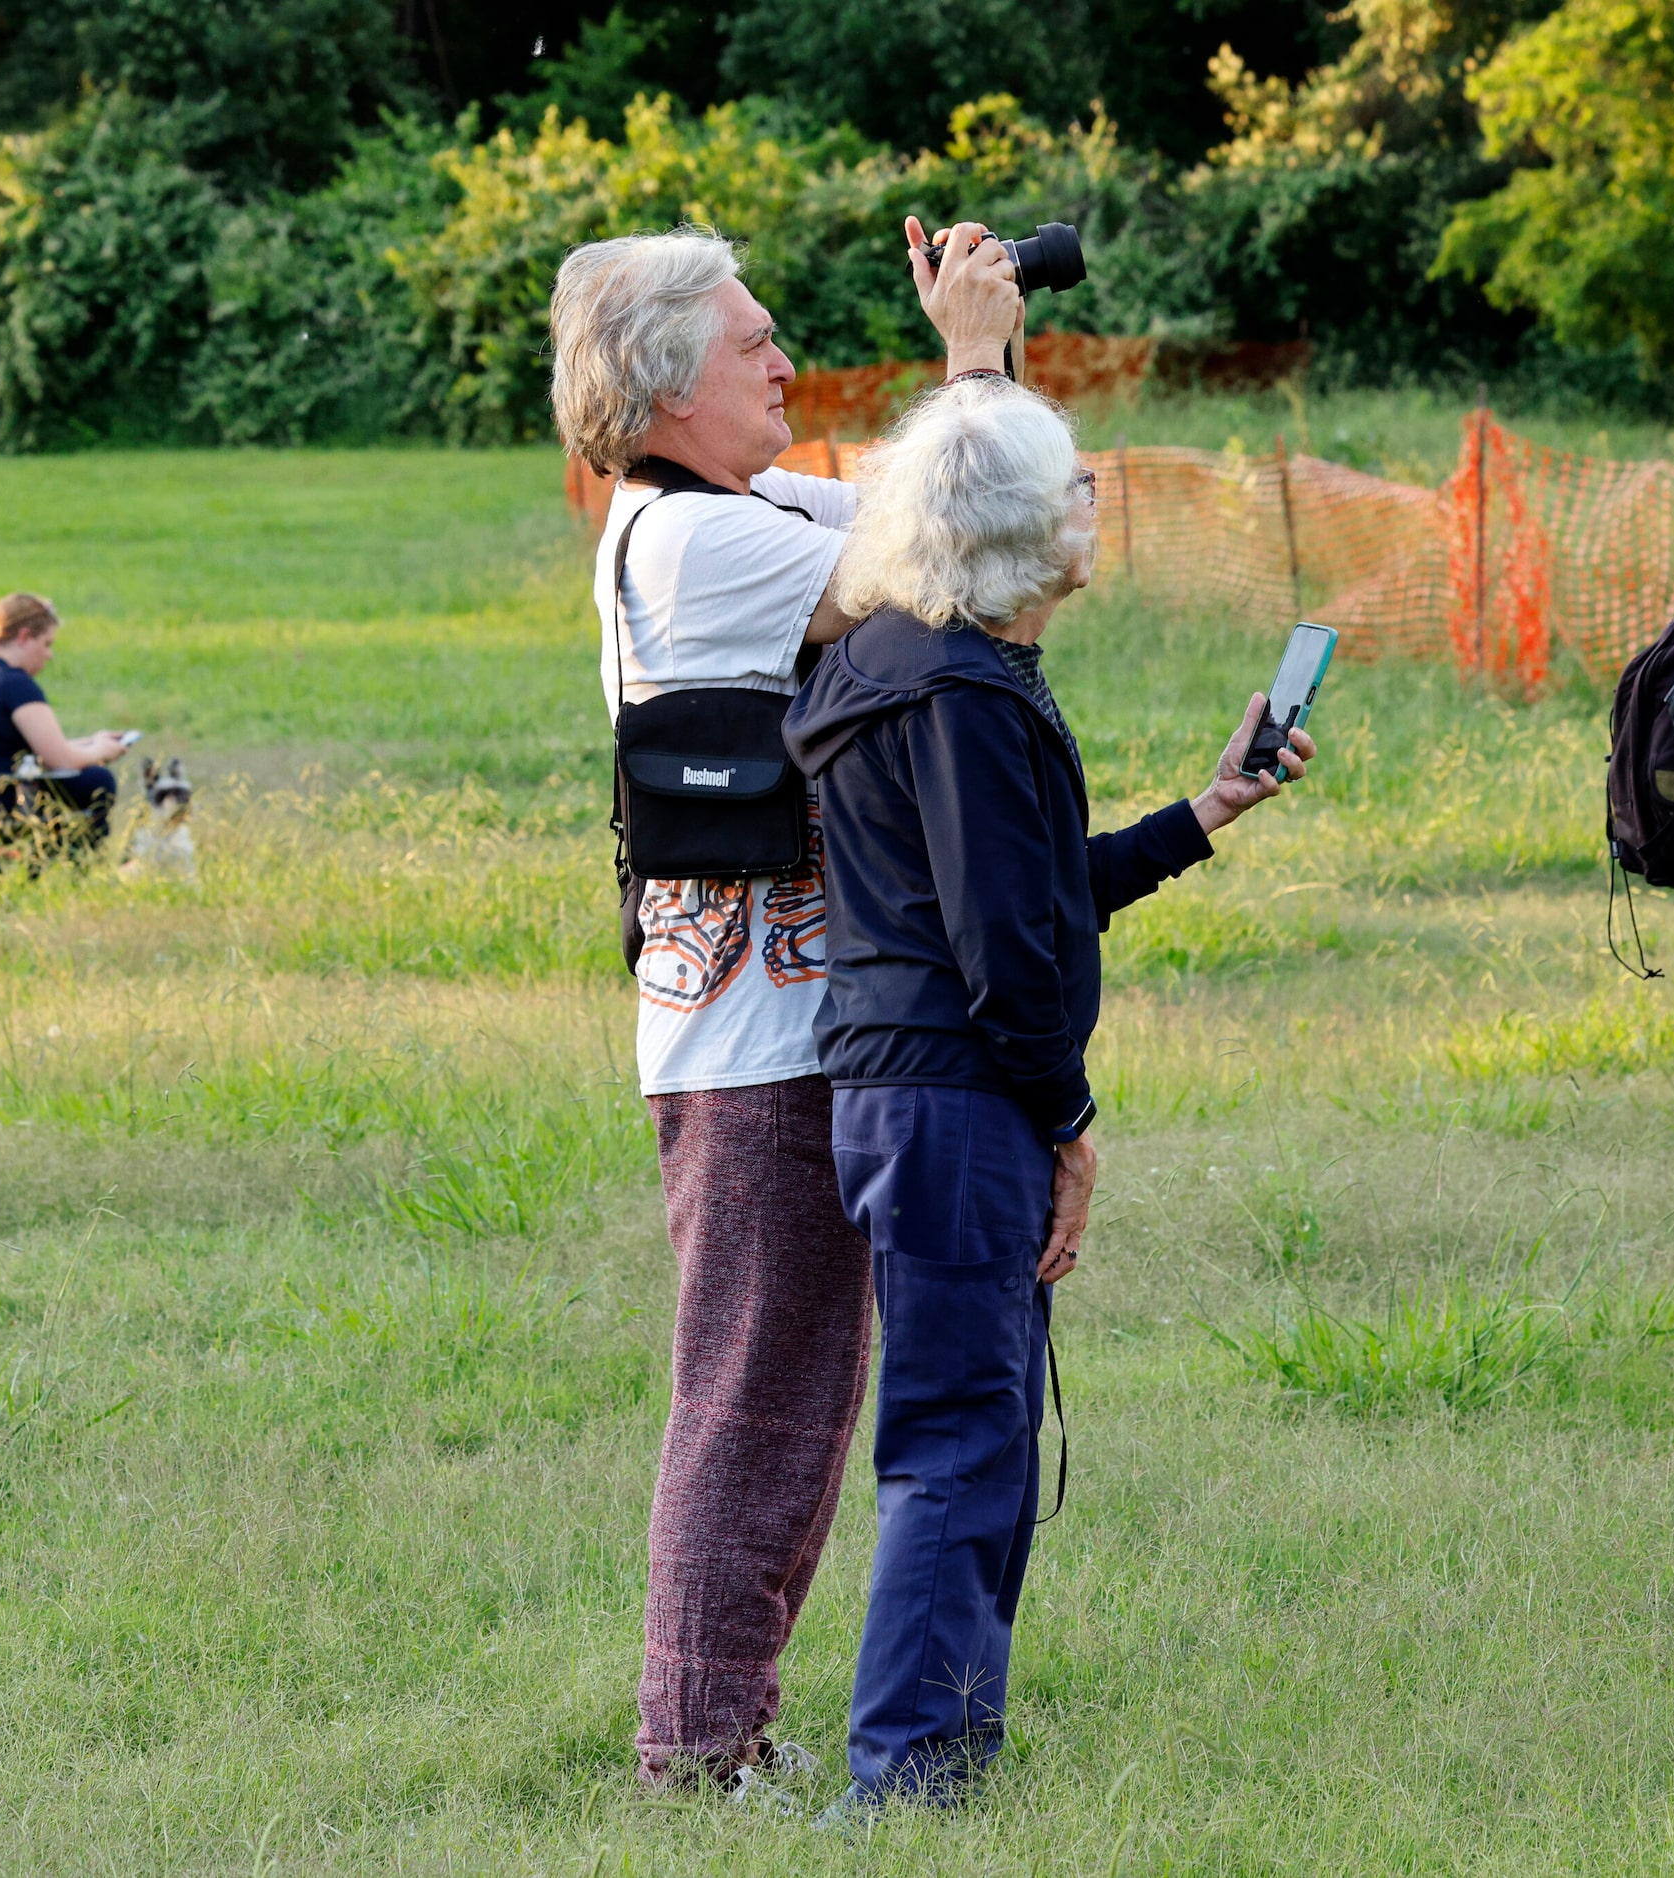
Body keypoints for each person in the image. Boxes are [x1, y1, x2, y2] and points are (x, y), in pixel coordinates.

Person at [781, 376, 1318, 1820]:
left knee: (980, 1422)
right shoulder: (959, 690)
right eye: (1074, 487)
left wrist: (1201, 817)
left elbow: (1025, 895)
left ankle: (950, 1742)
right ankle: (901, 1779)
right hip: (954, 1099)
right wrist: (1070, 1119)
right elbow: (1006, 952)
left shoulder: (914, 662)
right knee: (959, 1432)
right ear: (1019, 529)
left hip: (917, 1090)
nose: (1095, 506)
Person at [546, 218, 1021, 1791]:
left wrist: (987, 359)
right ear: (668, 375)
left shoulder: (742, 506)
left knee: (794, 1394)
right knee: (757, 1399)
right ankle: (691, 1749)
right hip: (756, 1046)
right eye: (754, 340)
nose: (784, 361)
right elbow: (951, 564)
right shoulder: (689, 541)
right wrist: (960, 364)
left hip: (794, 1026)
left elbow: (989, 525)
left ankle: (718, 1728)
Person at [0, 592, 135, 844]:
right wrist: (100, 751)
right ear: (25, 636)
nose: (49, 655)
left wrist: (91, 741)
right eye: (47, 644)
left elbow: (41, 750)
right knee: (97, 781)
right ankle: (75, 866)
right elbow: (60, 761)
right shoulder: (14, 685)